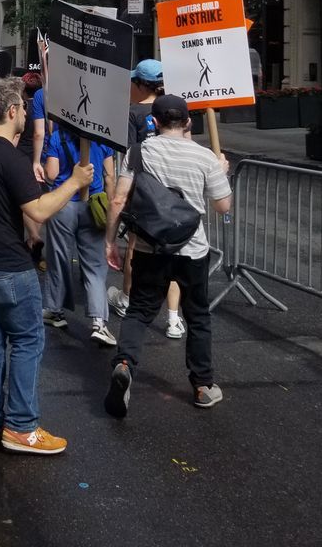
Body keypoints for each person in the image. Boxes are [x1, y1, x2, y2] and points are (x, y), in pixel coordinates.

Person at [0, 78, 93, 454]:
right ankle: (20, 426)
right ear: (12, 111)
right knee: (28, 340)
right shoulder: (9, 158)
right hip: (8, 267)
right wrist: (74, 182)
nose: (27, 114)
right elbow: (39, 210)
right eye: (24, 107)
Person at [103, 94, 232, 417]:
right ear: (187, 121)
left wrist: (110, 242)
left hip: (150, 246)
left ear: (155, 122)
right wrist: (221, 171)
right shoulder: (204, 156)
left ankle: (124, 363)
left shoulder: (138, 152)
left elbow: (119, 200)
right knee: (197, 316)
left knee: (139, 311)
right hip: (192, 249)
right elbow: (223, 206)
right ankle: (202, 385)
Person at [107, 60, 186, 338]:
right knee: (174, 251)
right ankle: (174, 318)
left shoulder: (133, 113)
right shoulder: (172, 110)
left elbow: (131, 152)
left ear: (141, 84)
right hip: (173, 191)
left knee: (134, 246)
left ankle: (128, 298)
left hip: (143, 191)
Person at [40, 130, 117, 346]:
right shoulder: (103, 136)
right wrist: (111, 210)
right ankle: (98, 322)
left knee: (59, 259)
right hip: (94, 204)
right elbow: (110, 177)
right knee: (95, 266)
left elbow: (52, 174)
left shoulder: (58, 137)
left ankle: (55, 310)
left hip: (63, 203)